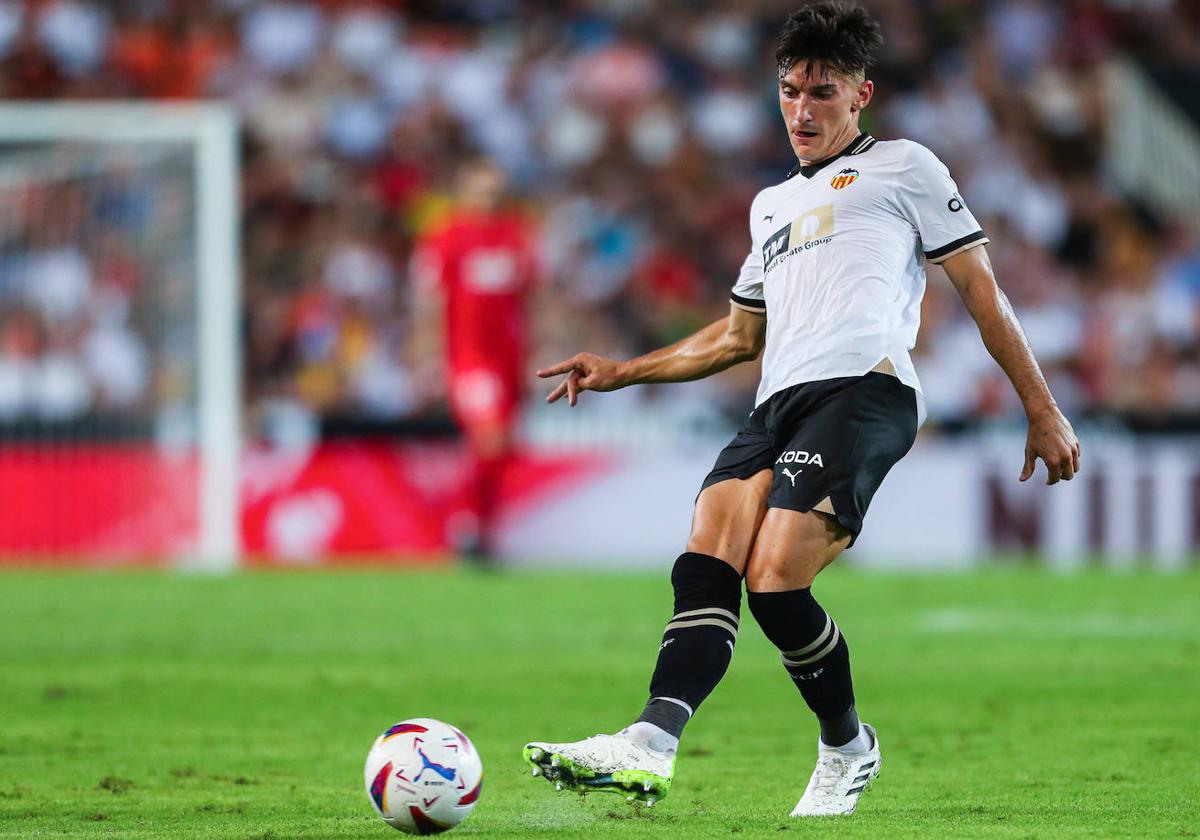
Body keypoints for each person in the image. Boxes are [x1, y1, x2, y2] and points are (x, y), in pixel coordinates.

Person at [523, 1, 1081, 818]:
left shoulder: (904, 166)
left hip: (865, 389)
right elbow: (735, 338)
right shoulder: (770, 206)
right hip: (777, 399)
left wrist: (1043, 407)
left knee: (776, 577)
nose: (801, 110)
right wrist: (622, 370)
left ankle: (847, 748)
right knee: (708, 551)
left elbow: (984, 295)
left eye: (821, 92)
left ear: (861, 95)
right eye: (789, 91)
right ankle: (648, 744)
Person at [411, 159, 539, 563]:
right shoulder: (447, 238)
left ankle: (480, 532)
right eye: (481, 191)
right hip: (468, 358)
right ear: (464, 193)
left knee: (502, 450)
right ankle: (464, 523)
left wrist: (537, 353)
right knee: (490, 437)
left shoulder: (516, 237)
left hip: (510, 359)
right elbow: (430, 300)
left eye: (495, 192)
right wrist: (426, 353)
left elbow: (532, 300)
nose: (489, 199)